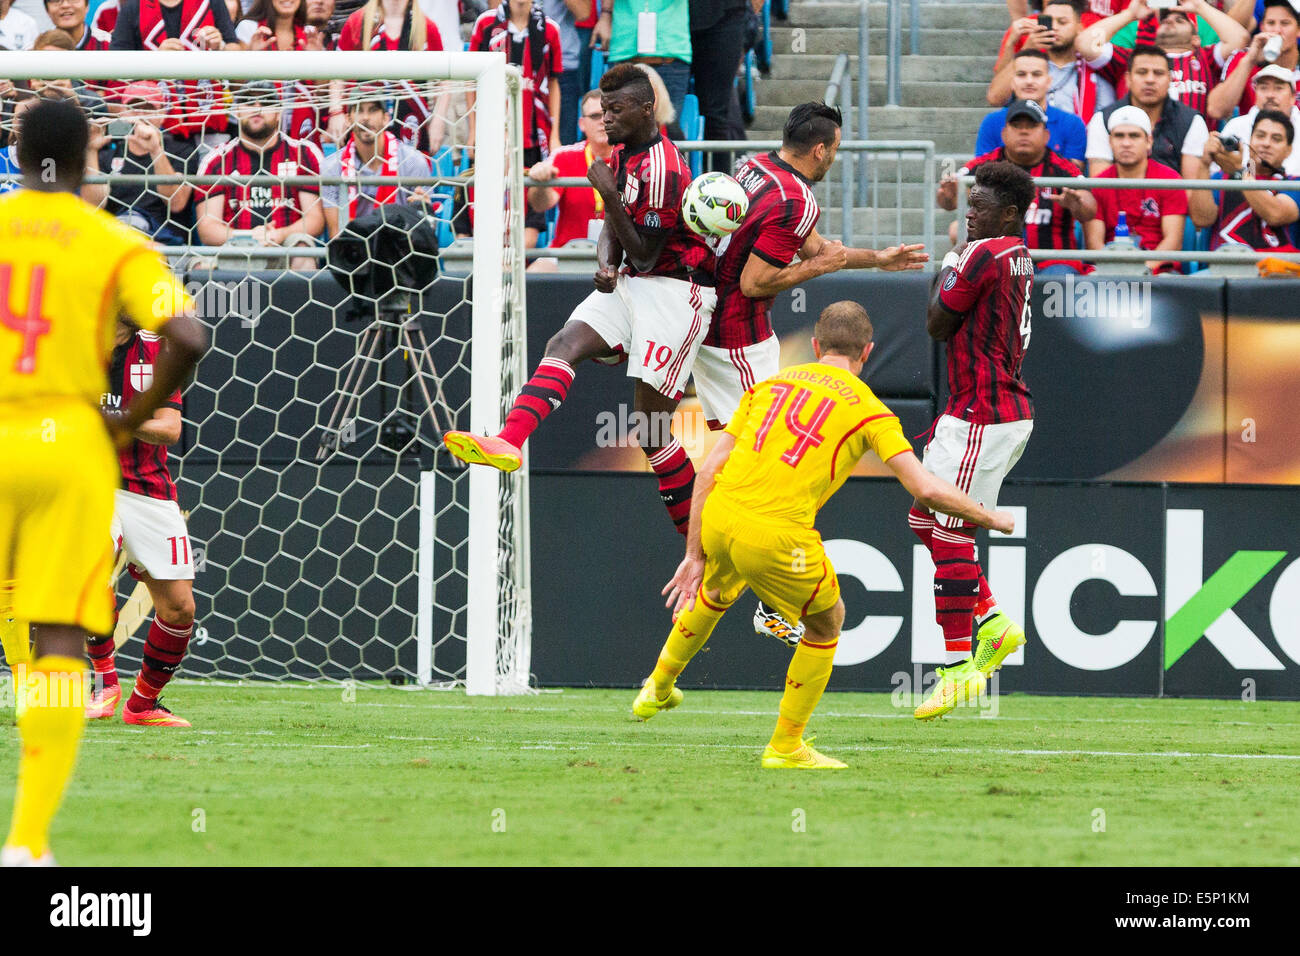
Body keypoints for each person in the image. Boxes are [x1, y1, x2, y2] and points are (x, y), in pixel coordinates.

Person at [636, 301, 1015, 768]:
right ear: (868, 352)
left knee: (714, 587)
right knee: (827, 620)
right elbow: (923, 488)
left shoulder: (768, 385)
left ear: (815, 346)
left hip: (720, 514)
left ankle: (657, 686)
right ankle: (786, 746)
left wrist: (693, 552)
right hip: (776, 536)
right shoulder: (872, 412)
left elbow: (710, 467)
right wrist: (989, 517)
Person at [0, 97, 205, 866]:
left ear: (17, 152)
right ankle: (25, 842)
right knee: (59, 634)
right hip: (68, 445)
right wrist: (133, 414)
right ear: (88, 163)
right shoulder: (112, 242)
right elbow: (188, 332)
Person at [443, 64, 716, 538]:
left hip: (676, 294)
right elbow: (617, 228)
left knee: (650, 432)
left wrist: (608, 196)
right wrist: (607, 263)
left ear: (647, 109)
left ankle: (701, 541)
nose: (605, 119)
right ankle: (509, 441)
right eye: (602, 111)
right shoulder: (625, 151)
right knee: (563, 342)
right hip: (634, 282)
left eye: (615, 109)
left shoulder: (667, 169)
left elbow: (649, 256)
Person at [694, 101, 928, 644]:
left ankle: (731, 574)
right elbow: (757, 282)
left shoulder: (756, 168)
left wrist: (878, 259)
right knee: (764, 464)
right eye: (836, 150)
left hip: (709, 323)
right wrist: (818, 269)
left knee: (738, 462)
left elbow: (820, 247)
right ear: (821, 148)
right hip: (738, 338)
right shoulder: (796, 197)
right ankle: (766, 594)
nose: (834, 159)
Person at [911, 161, 1036, 721]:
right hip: (983, 410)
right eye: (970, 200)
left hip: (983, 414)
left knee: (949, 527)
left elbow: (937, 324)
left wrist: (949, 259)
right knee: (923, 516)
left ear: (1008, 212)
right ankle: (994, 621)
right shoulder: (1018, 253)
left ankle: (960, 664)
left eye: (980, 204)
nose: (970, 211)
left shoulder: (983, 254)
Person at [83, 315, 198, 727]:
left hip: (147, 488)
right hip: (86, 480)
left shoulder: (158, 347)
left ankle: (143, 704)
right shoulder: (69, 342)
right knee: (90, 568)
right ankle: (105, 682)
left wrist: (113, 421)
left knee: (179, 608)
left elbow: (170, 429)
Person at [939, 98, 1097, 274]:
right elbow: (948, 201)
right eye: (1017, 126)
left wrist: (1078, 204)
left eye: (1031, 126)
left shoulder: (1063, 167)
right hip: (998, 260)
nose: (1024, 132)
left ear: (1046, 135)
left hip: (1054, 263)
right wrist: (949, 194)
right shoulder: (984, 165)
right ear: (1004, 133)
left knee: (1060, 279)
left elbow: (1090, 208)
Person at [194, 81, 325, 271]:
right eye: (249, 101)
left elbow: (314, 219)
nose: (257, 108)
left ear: (279, 112)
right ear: (237, 111)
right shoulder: (216, 159)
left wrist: (278, 235)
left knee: (303, 249)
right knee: (199, 267)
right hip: (234, 250)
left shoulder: (303, 153)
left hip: (284, 249)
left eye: (266, 101)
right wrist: (247, 238)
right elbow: (207, 228)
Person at [468, 0, 564, 245]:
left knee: (529, 209)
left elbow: (553, 83)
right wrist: (473, 128)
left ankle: (514, 266)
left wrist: (554, 134)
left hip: (532, 135)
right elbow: (469, 80)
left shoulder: (549, 29)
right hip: (492, 134)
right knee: (484, 199)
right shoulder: (486, 24)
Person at [1077, 0, 1249, 122]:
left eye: (1180, 20)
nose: (1170, 20)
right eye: (1165, 20)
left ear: (1196, 39)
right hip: (1140, 150)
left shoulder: (1205, 57)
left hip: (1195, 153)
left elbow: (1240, 39)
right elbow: (1085, 44)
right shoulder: (1134, 59)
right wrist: (1129, 14)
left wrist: (1199, 6)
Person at [82, 81, 193, 244]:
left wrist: (156, 150)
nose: (141, 115)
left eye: (148, 109)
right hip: (115, 239)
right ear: (123, 114)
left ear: (162, 114)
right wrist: (91, 150)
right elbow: (92, 206)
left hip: (165, 242)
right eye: (134, 109)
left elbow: (176, 204)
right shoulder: (109, 153)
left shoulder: (182, 151)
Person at [1084, 105, 1187, 271]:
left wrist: (1142, 270)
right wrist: (1116, 270)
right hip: (1108, 267)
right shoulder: (1098, 184)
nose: (1126, 143)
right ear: (1110, 142)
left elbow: (1173, 241)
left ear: (1149, 141)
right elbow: (1094, 243)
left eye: (1134, 136)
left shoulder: (1170, 180)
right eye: (1119, 136)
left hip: (1158, 269)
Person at [331, 0, 444, 150]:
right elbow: (337, 72)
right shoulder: (357, 22)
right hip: (365, 130)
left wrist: (439, 119)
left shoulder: (425, 26)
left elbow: (444, 80)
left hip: (411, 130)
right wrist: (336, 112)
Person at [1084, 43, 1209, 177]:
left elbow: (1192, 189)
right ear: (1128, 79)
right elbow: (1101, 188)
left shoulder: (1191, 121)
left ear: (1170, 79)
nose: (1150, 80)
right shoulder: (1103, 119)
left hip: (1172, 197)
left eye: (1158, 73)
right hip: (1118, 197)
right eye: (1142, 72)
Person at [320, 90, 433, 237]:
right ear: (348, 119)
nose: (366, 118)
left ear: (386, 118)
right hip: (353, 249)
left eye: (373, 110)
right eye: (359, 111)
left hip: (399, 248)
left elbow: (424, 231)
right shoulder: (332, 167)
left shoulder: (413, 162)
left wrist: (421, 210)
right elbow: (336, 234)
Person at [987, 0, 1116, 123]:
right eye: (1049, 21)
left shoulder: (1094, 74)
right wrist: (1027, 49)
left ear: (1080, 28)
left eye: (1062, 22)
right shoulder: (1030, 72)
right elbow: (995, 98)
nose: (1054, 27)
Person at [1189, 108, 1300, 249]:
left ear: (1288, 150)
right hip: (1222, 267)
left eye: (1276, 139)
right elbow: (1202, 219)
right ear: (1250, 140)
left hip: (1275, 268)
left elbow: (1275, 214)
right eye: (1260, 136)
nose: (1266, 143)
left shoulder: (1294, 184)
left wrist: (1239, 173)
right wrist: (1204, 165)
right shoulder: (1221, 178)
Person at [526, 87, 609, 246]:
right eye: (595, 116)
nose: (603, 121)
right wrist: (540, 183)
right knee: (534, 272)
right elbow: (541, 204)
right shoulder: (564, 156)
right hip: (566, 254)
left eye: (608, 114)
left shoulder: (635, 158)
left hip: (621, 259)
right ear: (582, 124)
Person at [977, 48, 1089, 163]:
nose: (1029, 81)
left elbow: (1073, 175)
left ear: (1049, 81)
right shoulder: (992, 122)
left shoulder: (1071, 123)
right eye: (1021, 74)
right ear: (1012, 82)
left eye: (1036, 74)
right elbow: (982, 169)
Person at [593, 0, 691, 121]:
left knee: (668, 127)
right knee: (618, 124)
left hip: (669, 52)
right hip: (624, 49)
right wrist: (605, 15)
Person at [1211, 0, 1300, 120]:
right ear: (1262, 27)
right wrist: (1249, 61)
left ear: (1298, 30)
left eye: (1285, 23)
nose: (1277, 30)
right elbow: (1216, 111)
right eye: (1271, 23)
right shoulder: (1244, 58)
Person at [1213, 64, 1300, 176]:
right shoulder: (1236, 126)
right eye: (1263, 88)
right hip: (1240, 191)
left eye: (1278, 88)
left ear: (1293, 96)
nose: (1270, 95)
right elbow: (1218, 173)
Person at [542, 0, 592, 146]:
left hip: (564, 66)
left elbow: (584, 13)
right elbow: (497, 14)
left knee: (563, 144)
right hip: (522, 66)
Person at [44, 0, 109, 48]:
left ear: (87, 6)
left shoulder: (108, 44)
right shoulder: (41, 48)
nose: (65, 5)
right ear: (47, 10)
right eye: (56, 0)